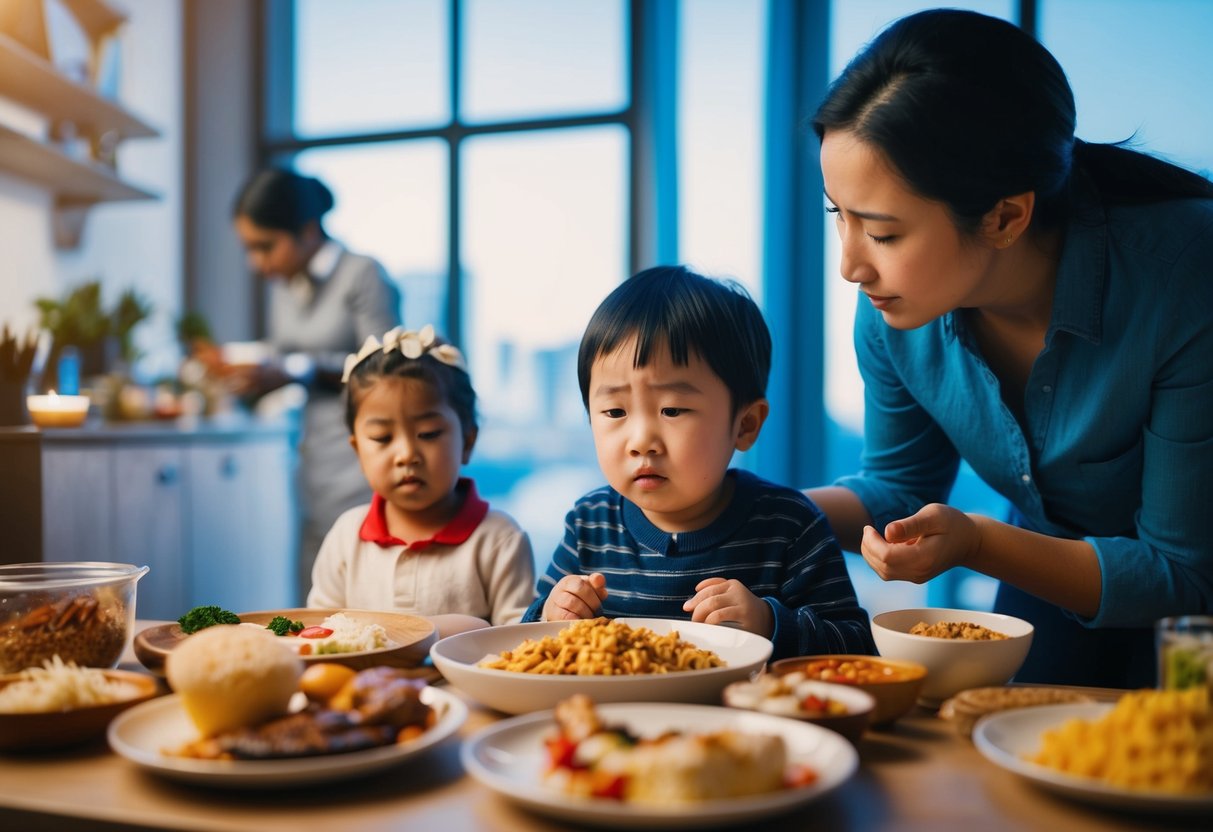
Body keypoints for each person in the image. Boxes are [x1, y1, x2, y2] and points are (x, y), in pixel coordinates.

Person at [806, 9, 1213, 687]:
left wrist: (974, 540)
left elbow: (1181, 572)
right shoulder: (893, 310)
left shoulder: (1185, 278)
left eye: (880, 232)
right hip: (1048, 568)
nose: (849, 265)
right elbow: (899, 489)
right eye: (836, 216)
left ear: (1004, 216)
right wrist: (743, 512)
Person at [522, 266, 876, 661]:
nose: (641, 441)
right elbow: (527, 638)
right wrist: (552, 614)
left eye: (672, 409)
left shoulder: (788, 526)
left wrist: (769, 623)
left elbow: (857, 646)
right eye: (615, 411)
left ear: (745, 425)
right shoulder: (590, 524)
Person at [228, 168, 403, 603]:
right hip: (314, 459)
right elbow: (283, 357)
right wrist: (247, 377)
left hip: (363, 461)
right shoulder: (285, 288)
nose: (256, 263)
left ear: (307, 231)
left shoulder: (362, 275)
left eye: (264, 246)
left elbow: (387, 364)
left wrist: (297, 370)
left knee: (369, 588)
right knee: (318, 591)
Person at [307, 324, 536, 631]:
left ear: (467, 441)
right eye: (382, 437)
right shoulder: (347, 537)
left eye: (428, 434)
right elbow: (321, 632)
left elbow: (521, 639)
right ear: (358, 450)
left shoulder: (498, 539)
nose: (406, 454)